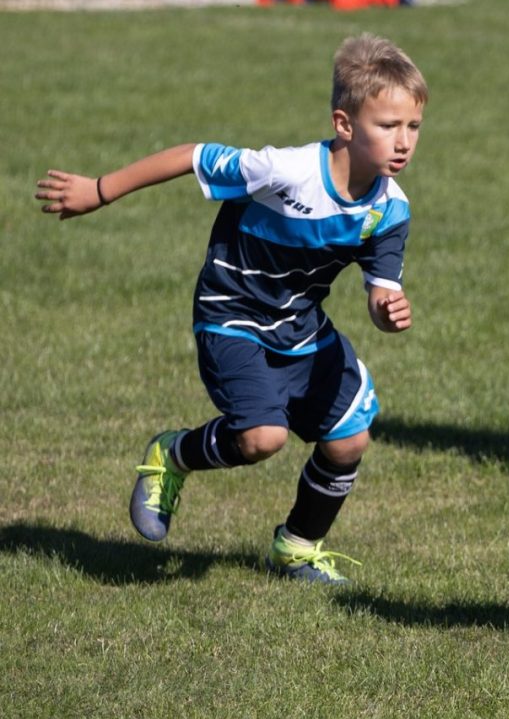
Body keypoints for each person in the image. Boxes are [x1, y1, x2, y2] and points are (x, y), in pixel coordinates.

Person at [33, 35, 426, 585]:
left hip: (300, 327)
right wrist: (99, 190)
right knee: (262, 439)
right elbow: (193, 155)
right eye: (388, 125)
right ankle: (173, 455)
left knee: (348, 439)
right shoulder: (284, 171)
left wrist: (387, 309)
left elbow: (380, 290)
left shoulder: (389, 208)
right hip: (232, 315)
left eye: (414, 126)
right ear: (344, 124)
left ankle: (295, 548)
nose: (404, 141)